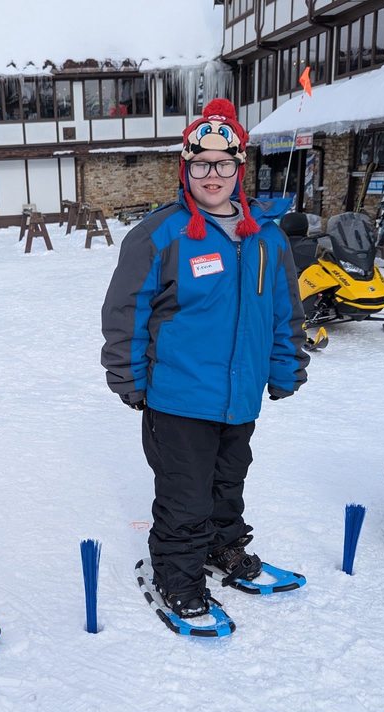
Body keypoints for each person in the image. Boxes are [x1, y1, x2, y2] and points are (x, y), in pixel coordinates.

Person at [101, 98, 309, 619]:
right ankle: (177, 576)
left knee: (227, 483)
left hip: (240, 396)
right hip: (178, 395)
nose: (211, 174)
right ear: (185, 168)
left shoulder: (266, 237)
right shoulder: (160, 233)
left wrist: (285, 366)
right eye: (200, 164)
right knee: (184, 497)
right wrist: (127, 376)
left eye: (222, 163)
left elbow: (285, 310)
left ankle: (223, 548)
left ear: (239, 168)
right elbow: (126, 309)